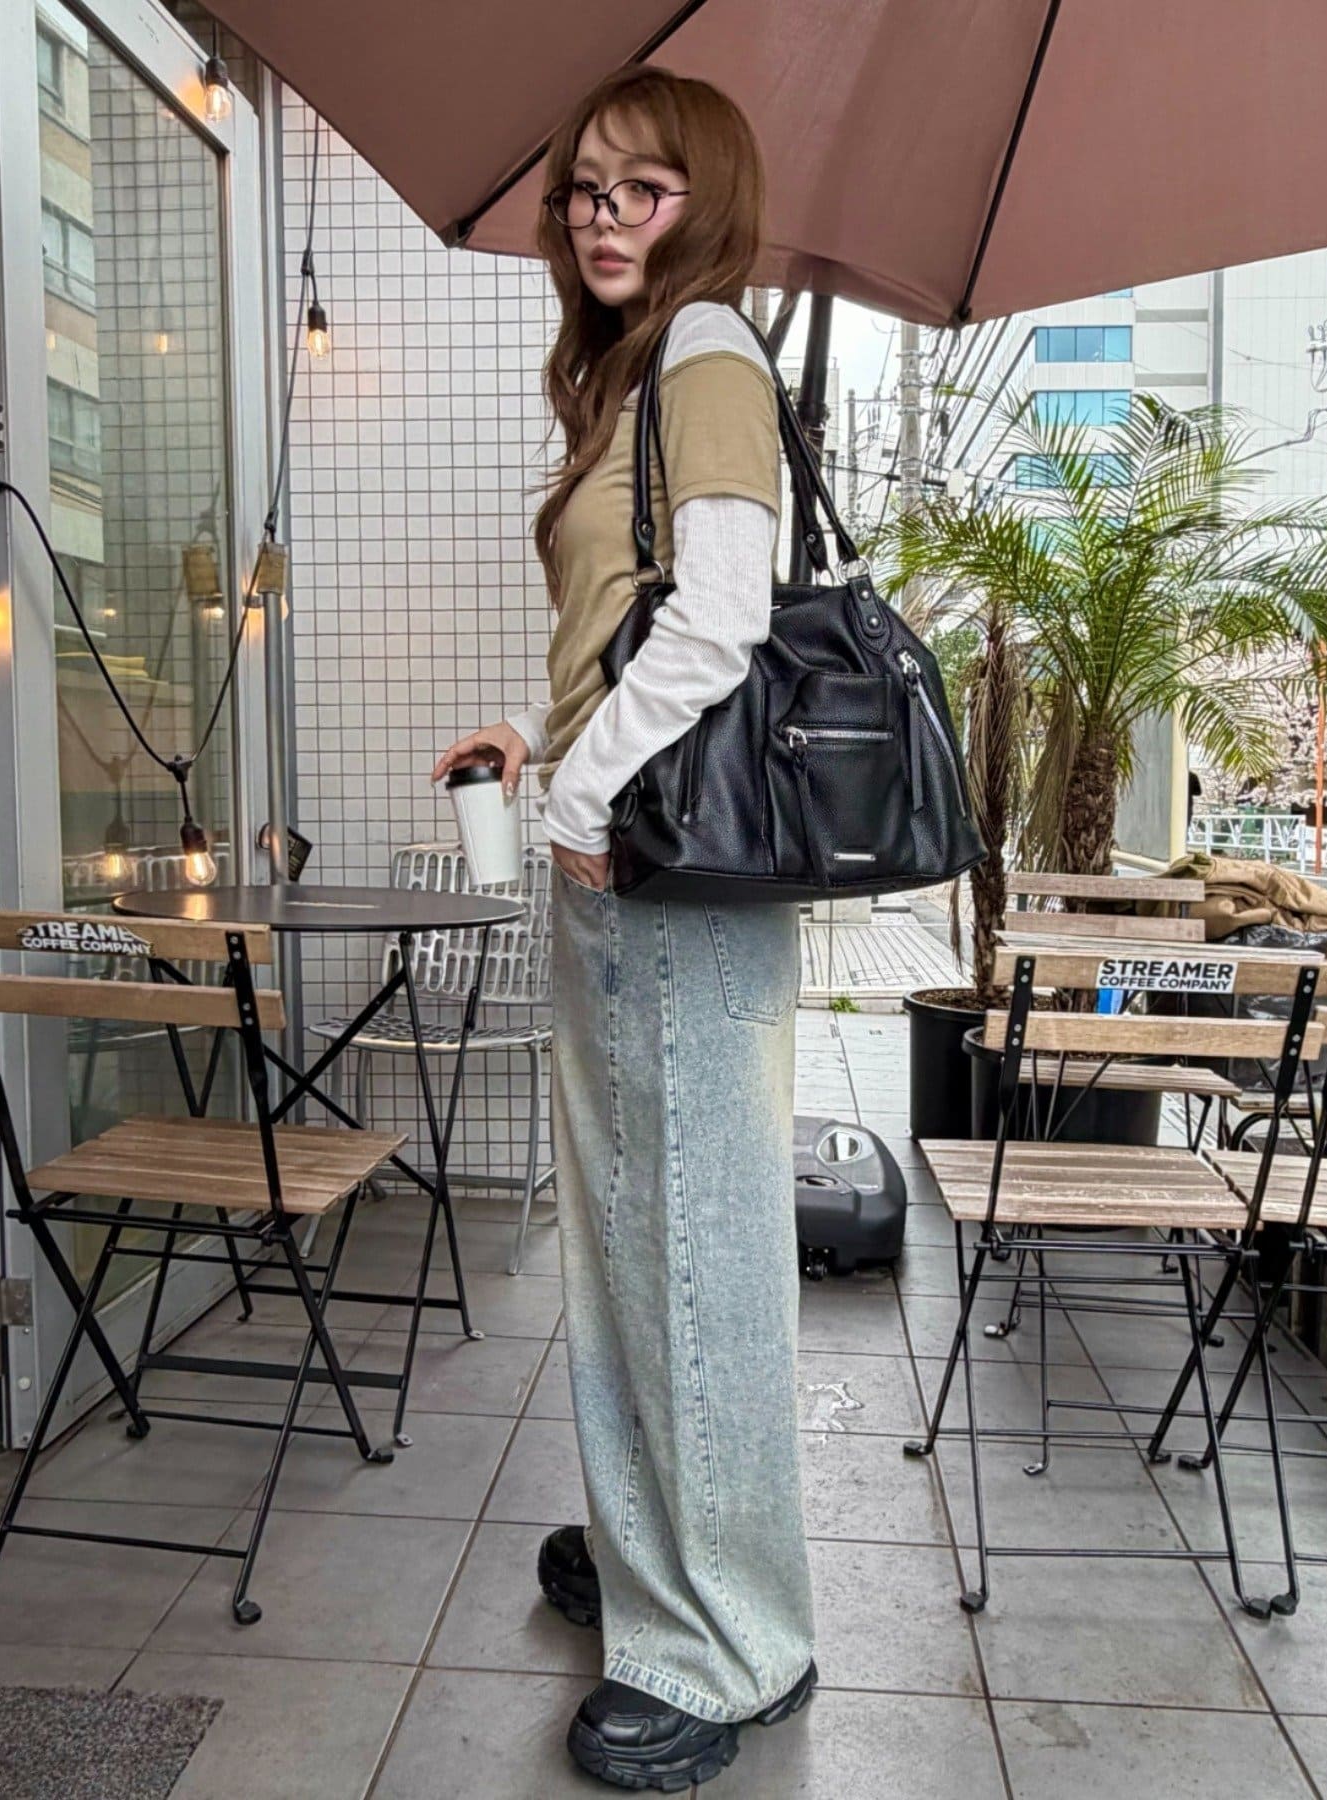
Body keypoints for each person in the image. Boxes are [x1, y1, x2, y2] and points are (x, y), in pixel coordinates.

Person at [429, 64, 816, 1793]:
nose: (601, 215)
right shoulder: (642, 371)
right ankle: (660, 1551)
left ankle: (729, 1644)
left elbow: (723, 618)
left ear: (702, 204)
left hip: (660, 880)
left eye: (640, 190)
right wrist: (543, 735)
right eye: (584, 187)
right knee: (639, 1248)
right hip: (627, 862)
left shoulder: (707, 350)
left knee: (689, 1257)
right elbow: (633, 624)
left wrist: (581, 801)